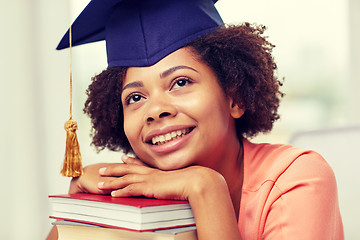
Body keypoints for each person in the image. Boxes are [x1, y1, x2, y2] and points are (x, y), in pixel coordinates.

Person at [49, 0, 344, 239]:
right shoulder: (134, 198)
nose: (155, 110)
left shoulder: (298, 177)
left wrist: (205, 190)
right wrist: (86, 209)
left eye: (180, 82)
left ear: (235, 97)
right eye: (135, 98)